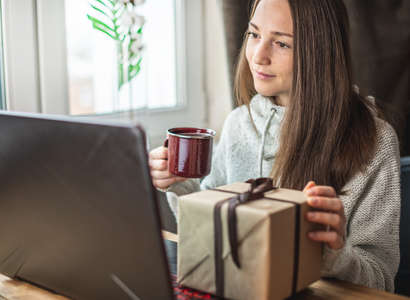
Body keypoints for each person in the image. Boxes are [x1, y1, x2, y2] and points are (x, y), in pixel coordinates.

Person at [149, 0, 400, 292]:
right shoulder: (238, 124)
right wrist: (179, 186)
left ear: (320, 53)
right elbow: (210, 234)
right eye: (254, 34)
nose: (258, 56)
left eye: (281, 44)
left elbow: (381, 281)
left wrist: (333, 254)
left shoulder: (375, 141)